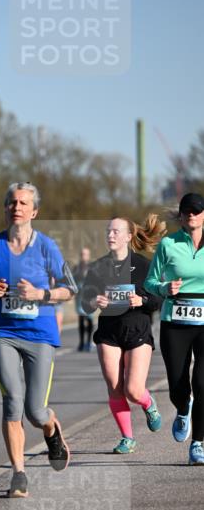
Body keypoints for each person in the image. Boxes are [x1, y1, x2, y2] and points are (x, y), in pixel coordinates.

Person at [0, 182, 76, 497]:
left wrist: (41, 294)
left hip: (41, 333)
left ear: (35, 211)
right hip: (3, 332)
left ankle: (51, 428)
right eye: (12, 202)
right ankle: (18, 474)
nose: (17, 207)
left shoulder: (47, 247)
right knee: (12, 401)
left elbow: (69, 288)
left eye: (23, 203)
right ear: (6, 208)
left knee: (35, 410)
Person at [80, 216, 165, 454]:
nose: (111, 235)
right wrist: (93, 300)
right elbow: (85, 303)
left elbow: (159, 299)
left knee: (134, 390)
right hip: (108, 332)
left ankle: (148, 403)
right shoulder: (98, 267)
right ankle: (127, 438)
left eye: (116, 231)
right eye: (108, 231)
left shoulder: (144, 265)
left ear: (129, 237)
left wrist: (142, 300)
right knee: (115, 388)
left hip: (137, 330)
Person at [145, 192, 204, 466]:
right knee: (178, 384)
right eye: (187, 210)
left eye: (196, 210)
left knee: (202, 384)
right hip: (175, 320)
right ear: (180, 215)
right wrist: (164, 288)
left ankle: (199, 444)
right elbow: (150, 281)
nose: (191, 214)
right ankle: (182, 408)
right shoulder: (169, 244)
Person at [72, 247, 94, 351]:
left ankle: (88, 342)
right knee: (81, 319)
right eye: (82, 254)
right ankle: (81, 343)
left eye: (85, 254)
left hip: (89, 296)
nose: (83, 256)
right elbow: (72, 281)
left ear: (88, 256)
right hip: (80, 296)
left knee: (89, 319)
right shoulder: (76, 268)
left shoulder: (92, 267)